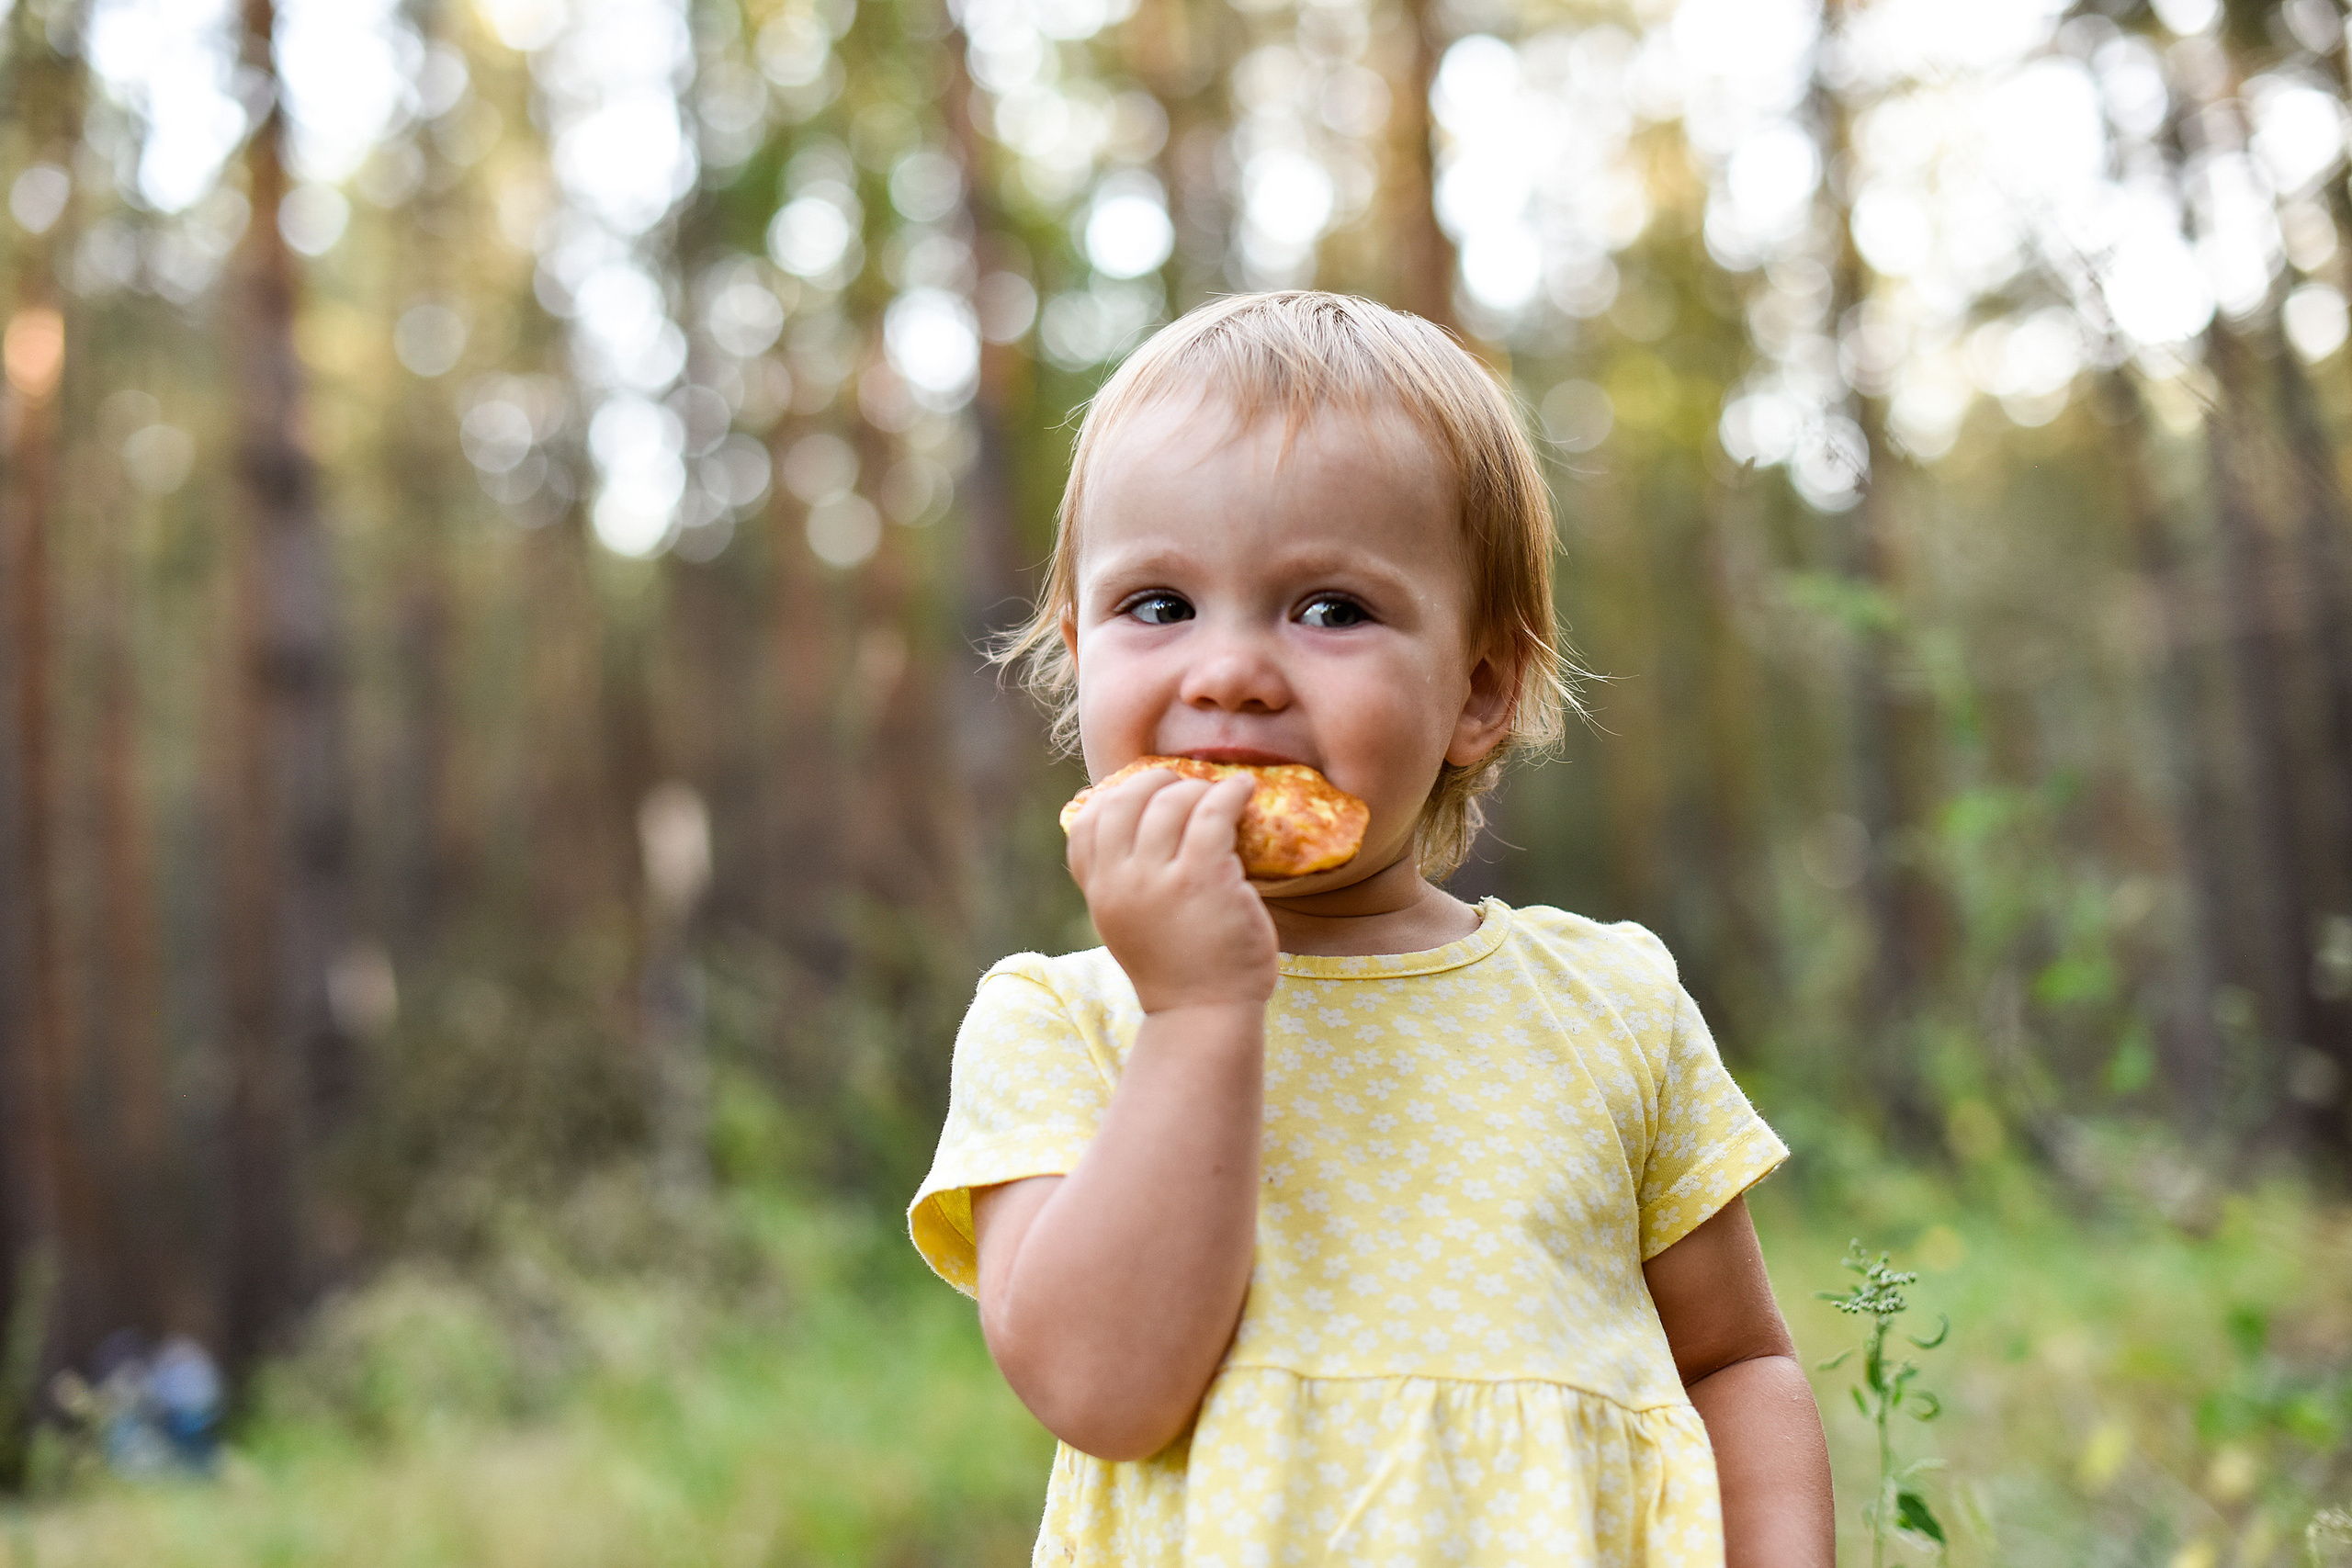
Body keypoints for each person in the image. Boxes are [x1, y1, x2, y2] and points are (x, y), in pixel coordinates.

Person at [909, 291, 1833, 1566]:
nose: (1228, 671)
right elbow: (1104, 1393)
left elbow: (1735, 1361)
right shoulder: (1064, 1022)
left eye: (1330, 609)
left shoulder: (1607, 1006)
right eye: (1161, 605)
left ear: (1479, 689)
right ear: (1077, 657)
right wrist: (1195, 1013)